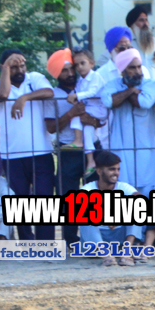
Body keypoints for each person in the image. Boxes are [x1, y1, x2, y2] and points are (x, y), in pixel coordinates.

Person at [0, 49, 56, 241]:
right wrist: (6, 68)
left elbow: (49, 92)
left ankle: (46, 244)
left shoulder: (35, 78)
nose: (19, 70)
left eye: (22, 65)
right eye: (13, 66)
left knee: (44, 201)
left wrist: (23, 98)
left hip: (41, 151)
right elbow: (2, 95)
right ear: (4, 67)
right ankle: (27, 242)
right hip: (12, 154)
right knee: (19, 203)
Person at [45, 50, 95, 244]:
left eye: (71, 68)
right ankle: (71, 240)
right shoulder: (53, 95)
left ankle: (94, 238)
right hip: (68, 148)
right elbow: (50, 127)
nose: (70, 73)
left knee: (94, 194)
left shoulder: (87, 85)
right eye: (64, 71)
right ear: (56, 74)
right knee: (70, 197)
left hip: (92, 147)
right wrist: (71, 114)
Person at [101, 48, 155, 195]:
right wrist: (130, 91)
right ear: (122, 71)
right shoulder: (112, 84)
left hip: (145, 147)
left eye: (139, 67)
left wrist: (122, 95)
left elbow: (144, 102)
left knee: (148, 191)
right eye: (132, 68)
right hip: (121, 146)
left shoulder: (151, 85)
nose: (138, 71)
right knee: (122, 190)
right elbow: (108, 101)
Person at [79, 150, 147, 267]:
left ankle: (126, 254)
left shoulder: (123, 187)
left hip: (119, 240)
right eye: (111, 169)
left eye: (118, 169)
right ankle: (106, 256)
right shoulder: (87, 189)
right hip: (95, 243)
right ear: (99, 171)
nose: (116, 173)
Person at [66, 47, 109, 172]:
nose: (79, 67)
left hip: (98, 109)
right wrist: (73, 96)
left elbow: (92, 92)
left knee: (76, 114)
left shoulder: (96, 76)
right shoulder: (80, 80)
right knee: (87, 132)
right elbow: (79, 92)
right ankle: (91, 161)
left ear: (92, 63)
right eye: (76, 65)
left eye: (82, 63)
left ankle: (77, 140)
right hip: (90, 108)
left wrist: (76, 96)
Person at [128, 6, 155, 80]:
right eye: (141, 20)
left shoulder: (153, 40)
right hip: (136, 85)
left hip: (154, 85)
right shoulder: (128, 43)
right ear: (133, 25)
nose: (145, 23)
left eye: (146, 20)